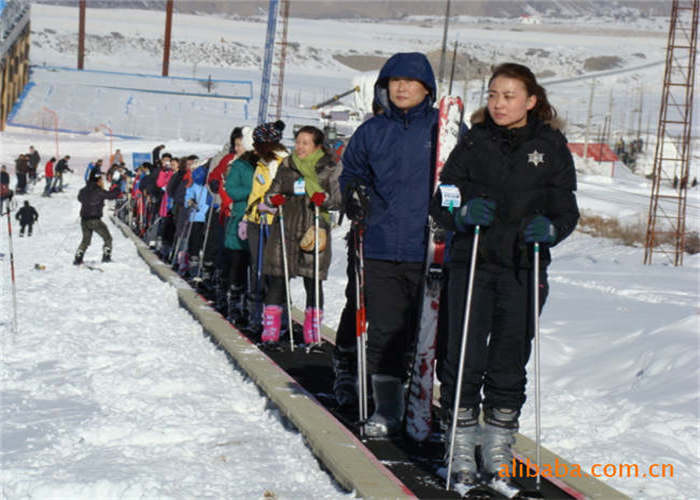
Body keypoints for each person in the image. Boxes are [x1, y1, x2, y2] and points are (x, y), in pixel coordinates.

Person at [430, 63, 579, 489]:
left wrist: (551, 229)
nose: (498, 103)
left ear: (531, 101)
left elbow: (566, 209)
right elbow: (443, 197)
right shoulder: (473, 142)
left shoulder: (550, 148)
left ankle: (498, 444)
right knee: (464, 355)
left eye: (509, 95)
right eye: (493, 94)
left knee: (510, 357)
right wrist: (459, 214)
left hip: (523, 265)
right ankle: (459, 443)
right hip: (473, 261)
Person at [338, 52, 439, 436]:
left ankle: (422, 403)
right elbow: (351, 173)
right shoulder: (371, 131)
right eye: (394, 81)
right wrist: (354, 193)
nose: (402, 87)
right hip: (380, 245)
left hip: (428, 247)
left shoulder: (440, 129)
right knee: (383, 331)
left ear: (427, 88)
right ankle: (388, 410)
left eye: (411, 82)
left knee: (424, 333)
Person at [261, 125, 341, 345]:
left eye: (305, 143)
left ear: (317, 146)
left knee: (313, 281)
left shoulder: (330, 167)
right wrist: (273, 200)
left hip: (314, 230)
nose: (300, 147)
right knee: (277, 279)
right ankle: (270, 331)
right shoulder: (287, 166)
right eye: (297, 142)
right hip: (285, 229)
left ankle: (312, 333)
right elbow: (271, 193)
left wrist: (322, 198)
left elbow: (337, 199)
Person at [242, 120, 288, 335]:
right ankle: (256, 318)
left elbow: (289, 192)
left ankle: (278, 320)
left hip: (275, 223)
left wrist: (273, 207)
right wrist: (246, 217)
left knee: (275, 274)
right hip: (256, 221)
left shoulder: (283, 163)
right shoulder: (261, 163)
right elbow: (254, 192)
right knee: (257, 270)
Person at [221, 127, 256, 320]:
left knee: (253, 264)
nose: (237, 149)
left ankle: (250, 304)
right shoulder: (237, 166)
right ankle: (234, 302)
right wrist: (253, 193)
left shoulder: (261, 165)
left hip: (257, 220)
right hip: (240, 219)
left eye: (240, 145)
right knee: (238, 263)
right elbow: (232, 190)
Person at [74, 170, 121, 265]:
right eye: (101, 179)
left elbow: (79, 198)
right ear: (98, 179)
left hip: (84, 219)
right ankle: (106, 257)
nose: (102, 181)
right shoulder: (98, 190)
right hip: (94, 219)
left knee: (85, 240)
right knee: (108, 238)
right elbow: (111, 195)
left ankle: (78, 257)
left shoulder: (83, 190)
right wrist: (116, 187)